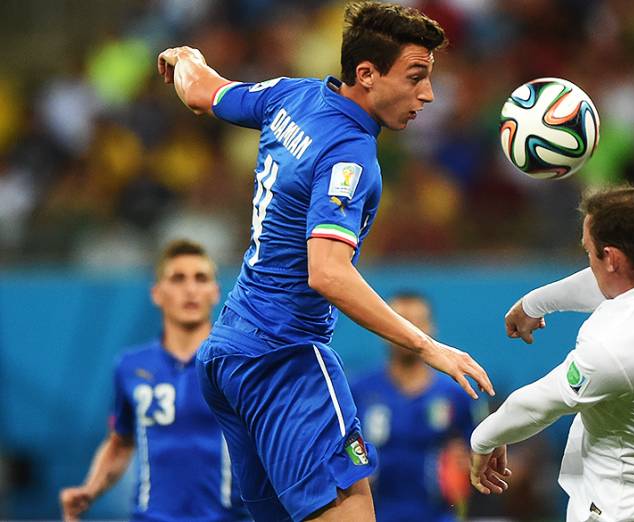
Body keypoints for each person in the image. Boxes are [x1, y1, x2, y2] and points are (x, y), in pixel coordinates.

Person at [156, 2, 494, 520]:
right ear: (366, 74)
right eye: (416, 77)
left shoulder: (292, 94)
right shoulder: (349, 153)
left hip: (227, 356)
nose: (427, 94)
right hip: (284, 358)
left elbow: (203, 90)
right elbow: (328, 271)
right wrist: (428, 347)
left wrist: (183, 57)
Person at [469, 186, 634, 522]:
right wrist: (536, 303)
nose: (588, 258)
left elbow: (539, 404)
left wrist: (484, 438)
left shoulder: (616, 346)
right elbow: (619, 285)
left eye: (589, 251)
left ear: (612, 257)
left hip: (622, 506)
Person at [59, 239, 248, 521]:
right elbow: (121, 442)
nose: (190, 289)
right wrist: (90, 490)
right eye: (177, 278)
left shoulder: (238, 363)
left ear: (215, 292)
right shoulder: (131, 366)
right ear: (157, 293)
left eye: (201, 278)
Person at [352, 292, 477, 522]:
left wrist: (468, 464)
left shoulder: (455, 395)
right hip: (375, 515)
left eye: (418, 323)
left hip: (438, 516)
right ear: (382, 328)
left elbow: (475, 455)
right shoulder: (358, 391)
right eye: (400, 322)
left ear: (432, 329)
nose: (409, 332)